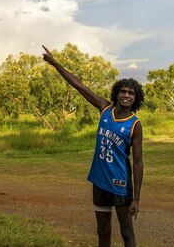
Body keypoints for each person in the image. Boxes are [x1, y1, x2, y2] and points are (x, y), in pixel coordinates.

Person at [42, 45, 143, 247]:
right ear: (117, 94)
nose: (126, 95)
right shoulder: (105, 108)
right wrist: (54, 63)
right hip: (99, 182)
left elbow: (139, 163)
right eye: (123, 91)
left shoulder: (134, 125)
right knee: (102, 232)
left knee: (127, 234)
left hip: (121, 185)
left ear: (136, 98)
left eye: (131, 93)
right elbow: (79, 85)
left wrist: (136, 199)